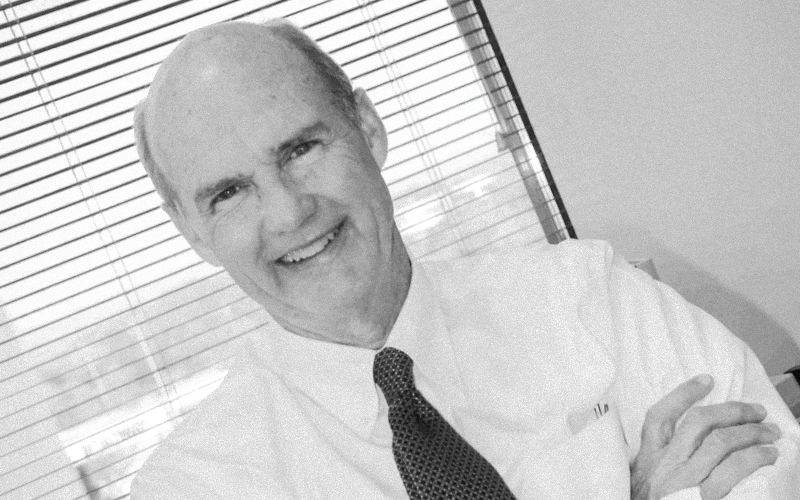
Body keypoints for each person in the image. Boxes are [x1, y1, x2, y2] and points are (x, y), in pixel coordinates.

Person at [130, 18, 799, 499]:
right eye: (228, 193)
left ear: (367, 129)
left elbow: (767, 466)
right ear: (191, 229)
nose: (288, 213)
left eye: (300, 149)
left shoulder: (588, 299)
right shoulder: (196, 482)